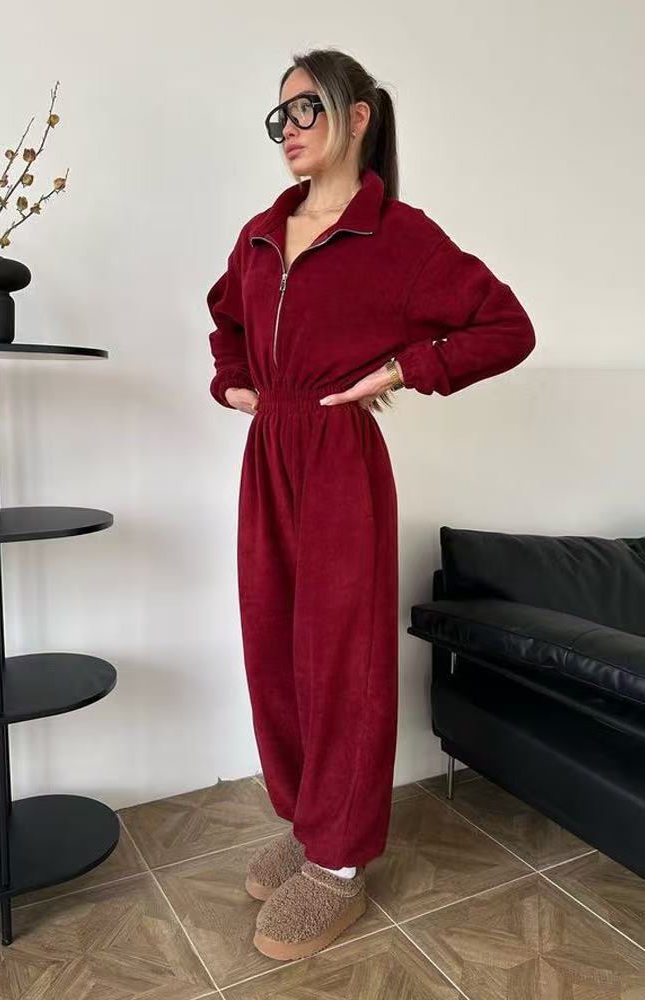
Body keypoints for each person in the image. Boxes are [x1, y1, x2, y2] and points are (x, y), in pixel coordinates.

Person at [206, 48, 536, 962]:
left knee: (340, 656)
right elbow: (226, 322)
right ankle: (309, 820)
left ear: (358, 116)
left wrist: (401, 371)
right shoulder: (261, 233)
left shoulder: (400, 237)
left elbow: (506, 327)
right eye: (278, 117)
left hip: (339, 460)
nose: (288, 130)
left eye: (305, 109)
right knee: (274, 644)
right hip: (268, 452)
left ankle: (341, 860)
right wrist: (235, 385)